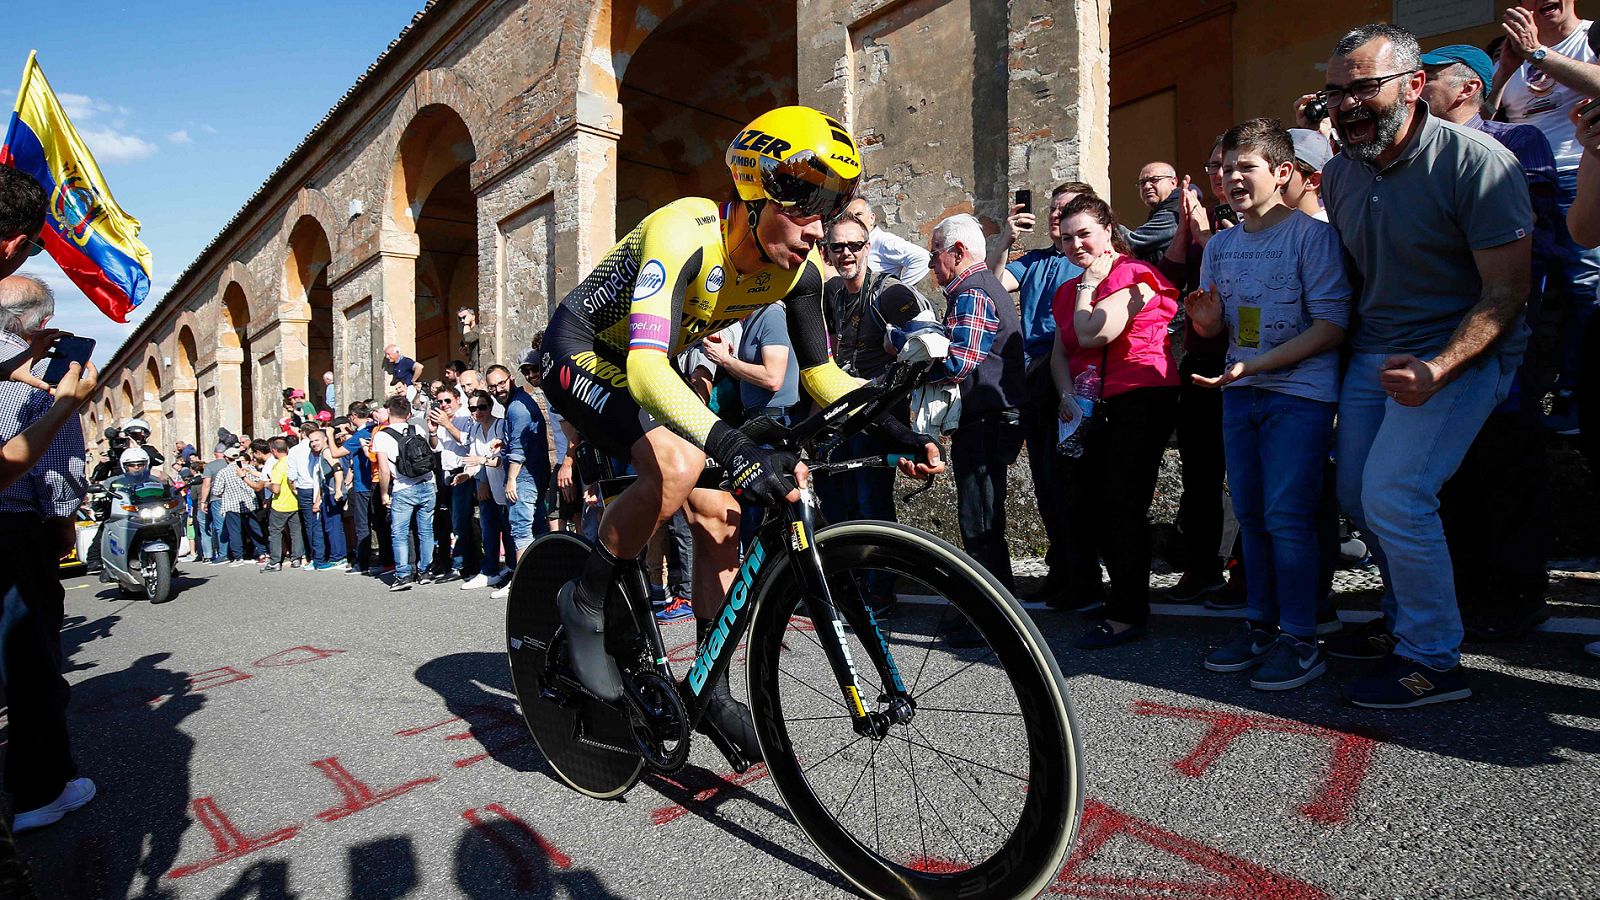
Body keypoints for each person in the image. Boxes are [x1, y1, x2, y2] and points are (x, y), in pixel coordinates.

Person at [539, 106, 939, 766]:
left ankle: (712, 688)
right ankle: (583, 602)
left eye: (830, 207)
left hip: (649, 367)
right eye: (805, 204)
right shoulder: (684, 230)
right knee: (675, 464)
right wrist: (733, 446)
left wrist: (898, 430)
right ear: (757, 188)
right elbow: (643, 366)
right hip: (580, 353)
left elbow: (822, 375)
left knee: (721, 514)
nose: (818, 228)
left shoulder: (797, 272)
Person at [1318, 24, 1533, 708]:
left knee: (1395, 495)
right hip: (1375, 355)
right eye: (1335, 91)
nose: (1347, 104)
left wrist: (1439, 368)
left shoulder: (1479, 163)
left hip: (1460, 352)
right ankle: (1405, 620)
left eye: (1363, 88)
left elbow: (1506, 293)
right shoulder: (1339, 172)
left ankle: (1433, 659)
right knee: (1356, 497)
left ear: (1414, 86)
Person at [1184, 118, 1352, 691]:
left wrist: (1254, 365)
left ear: (1283, 173)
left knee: (1288, 516)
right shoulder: (1223, 245)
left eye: (1245, 168)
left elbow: (1331, 325)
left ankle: (1302, 638)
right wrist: (1208, 326)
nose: (1231, 178)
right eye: (1226, 169)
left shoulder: (1314, 238)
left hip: (1298, 396)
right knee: (1252, 517)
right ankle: (1259, 624)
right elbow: (1222, 329)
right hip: (1240, 392)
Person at [1421, 42, 1563, 640]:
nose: (1416, 89)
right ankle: (1464, 586)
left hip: (1508, 322)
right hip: (1441, 328)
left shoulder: (1518, 142)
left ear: (1468, 88)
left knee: (1508, 455)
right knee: (1452, 465)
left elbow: (1542, 237)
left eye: (1427, 80)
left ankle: (1518, 589)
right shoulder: (1416, 159)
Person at [1052, 195, 1180, 649]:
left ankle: (1128, 612)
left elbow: (1094, 333)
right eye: (1066, 238)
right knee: (1087, 501)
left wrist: (1090, 285)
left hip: (1140, 396)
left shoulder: (1132, 275)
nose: (1075, 244)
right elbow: (1061, 351)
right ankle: (1115, 595)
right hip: (1092, 405)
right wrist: (1067, 394)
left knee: (1122, 503)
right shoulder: (1066, 291)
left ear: (1109, 230)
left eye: (1084, 233)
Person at [0, 273, 100, 833]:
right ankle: (41, 792)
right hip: (15, 531)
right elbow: (56, 466)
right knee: (30, 664)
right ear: (41, 324)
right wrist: (62, 531)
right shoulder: (42, 382)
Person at [1490, 0, 1600, 435]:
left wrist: (1539, 54)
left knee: (1584, 287)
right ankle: (1524, 397)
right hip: (1522, 185)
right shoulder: (1514, 51)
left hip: (1579, 176)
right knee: (1524, 293)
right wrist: (1504, 70)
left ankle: (1573, 391)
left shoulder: (1591, 36)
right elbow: (1486, 117)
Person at [818, 212, 931, 608]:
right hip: (838, 415)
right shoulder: (831, 292)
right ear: (827, 252)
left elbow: (929, 336)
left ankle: (880, 592)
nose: (846, 252)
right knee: (836, 504)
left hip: (878, 417)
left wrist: (899, 344)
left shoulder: (888, 289)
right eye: (838, 246)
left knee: (871, 506)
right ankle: (849, 590)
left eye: (854, 245)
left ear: (868, 248)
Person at [990, 183, 1092, 605]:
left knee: (1068, 478)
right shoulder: (1033, 261)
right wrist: (1005, 239)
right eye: (1052, 209)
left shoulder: (1086, 262)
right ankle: (1061, 565)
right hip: (1033, 374)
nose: (1054, 215)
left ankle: (1078, 571)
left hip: (1068, 371)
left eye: (1065, 210)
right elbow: (994, 283)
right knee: (1045, 477)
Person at [927, 214, 1026, 598]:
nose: (933, 262)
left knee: (979, 519)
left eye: (936, 253)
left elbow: (959, 362)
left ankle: (991, 614)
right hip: (993, 413)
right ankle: (991, 608)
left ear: (958, 251)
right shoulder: (982, 286)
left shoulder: (972, 291)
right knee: (984, 516)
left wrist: (911, 360)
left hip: (987, 416)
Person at [375, 395, 437, 590]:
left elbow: (384, 471)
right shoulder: (417, 429)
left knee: (399, 533)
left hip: (404, 488)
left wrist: (385, 493)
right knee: (425, 530)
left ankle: (403, 574)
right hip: (427, 483)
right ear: (408, 413)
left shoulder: (381, 435)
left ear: (389, 412)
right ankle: (425, 570)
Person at [498, 356, 552, 559]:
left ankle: (523, 585)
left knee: (521, 532)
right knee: (538, 529)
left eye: (501, 383)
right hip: (534, 474)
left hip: (523, 477)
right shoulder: (520, 402)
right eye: (492, 386)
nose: (497, 390)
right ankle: (541, 581)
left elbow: (519, 448)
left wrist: (511, 480)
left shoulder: (517, 407)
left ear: (510, 379)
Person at [460, 389, 514, 590]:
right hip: (486, 484)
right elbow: (473, 458)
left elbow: (501, 458)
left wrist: (481, 469)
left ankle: (510, 568)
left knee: (509, 529)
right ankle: (489, 570)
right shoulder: (475, 430)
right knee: (489, 528)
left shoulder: (500, 426)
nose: (478, 412)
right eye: (473, 408)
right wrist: (468, 474)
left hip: (501, 484)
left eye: (482, 407)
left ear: (490, 406)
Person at [428, 383, 478, 579]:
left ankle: (462, 564)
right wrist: (433, 431)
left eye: (447, 401)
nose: (444, 405)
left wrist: (447, 424)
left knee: (460, 521)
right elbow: (435, 447)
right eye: (440, 402)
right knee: (453, 520)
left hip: (463, 472)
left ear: (457, 400)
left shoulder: (465, 417)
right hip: (445, 473)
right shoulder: (442, 420)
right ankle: (465, 563)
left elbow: (465, 441)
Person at [329, 402, 378, 574]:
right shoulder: (373, 429)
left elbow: (335, 453)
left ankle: (362, 563)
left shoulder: (359, 436)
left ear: (353, 416)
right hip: (374, 481)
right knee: (378, 523)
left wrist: (329, 435)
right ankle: (383, 560)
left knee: (362, 524)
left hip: (363, 485)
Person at [843, 197, 931, 287]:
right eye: (849, 217)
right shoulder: (852, 245)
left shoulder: (884, 241)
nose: (854, 220)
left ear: (871, 218)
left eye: (858, 214)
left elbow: (923, 258)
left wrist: (899, 289)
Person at [1124, 162, 1182, 261]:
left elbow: (1132, 242)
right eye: (1142, 183)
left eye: (1154, 180)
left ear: (1173, 182)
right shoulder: (1162, 210)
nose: (1147, 186)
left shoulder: (1176, 211)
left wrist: (1103, 221)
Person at [261, 437, 303, 572]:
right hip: (295, 502)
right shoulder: (292, 461)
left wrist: (267, 484)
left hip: (281, 504)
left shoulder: (278, 466)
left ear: (274, 450)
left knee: (275, 533)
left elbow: (276, 489)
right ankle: (297, 558)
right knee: (296, 533)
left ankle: (274, 561)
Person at [307, 428, 346, 570]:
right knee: (332, 526)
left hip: (333, 493)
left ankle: (338, 558)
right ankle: (338, 556)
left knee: (333, 526)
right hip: (327, 493)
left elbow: (338, 469)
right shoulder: (322, 454)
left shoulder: (327, 452)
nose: (313, 443)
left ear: (325, 439)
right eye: (311, 441)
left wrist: (338, 490)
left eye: (316, 440)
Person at [285, 423, 322, 567]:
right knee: (321, 521)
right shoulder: (318, 446)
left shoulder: (295, 450)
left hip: (304, 487)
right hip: (318, 485)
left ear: (302, 433)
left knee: (309, 523)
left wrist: (295, 488)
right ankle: (323, 553)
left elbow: (291, 474)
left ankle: (312, 555)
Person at [198, 444, 230, 563]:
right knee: (232, 525)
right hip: (231, 498)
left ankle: (223, 554)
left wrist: (203, 501)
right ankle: (233, 552)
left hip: (216, 498)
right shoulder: (230, 463)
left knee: (219, 526)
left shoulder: (210, 466)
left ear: (215, 453)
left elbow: (206, 484)